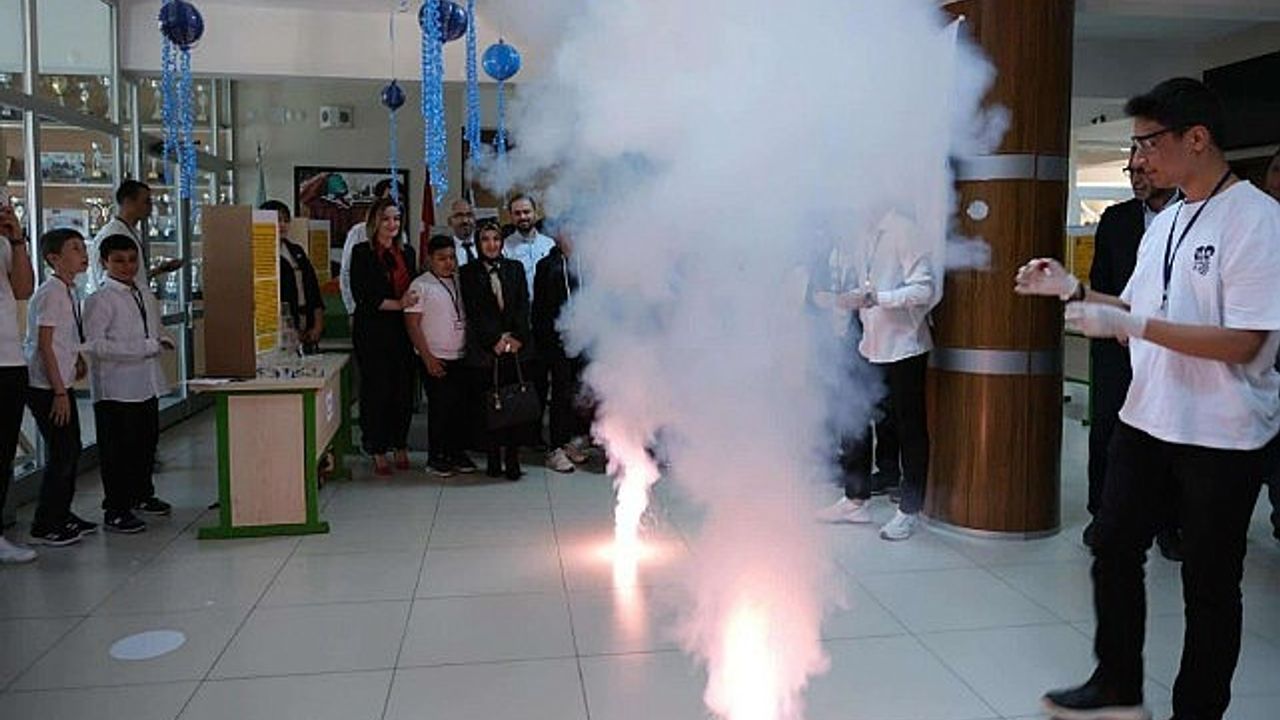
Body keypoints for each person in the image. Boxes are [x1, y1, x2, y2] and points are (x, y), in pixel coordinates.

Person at [1017, 78, 1280, 720]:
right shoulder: (1167, 221)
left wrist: (1131, 324)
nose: (1137, 159)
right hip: (1148, 417)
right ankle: (1118, 685)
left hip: (1221, 432)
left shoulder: (1257, 221)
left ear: (1197, 139)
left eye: (1147, 143)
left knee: (1209, 584)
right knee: (1112, 545)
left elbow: (1245, 342)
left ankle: (1197, 710)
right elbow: (1137, 307)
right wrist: (1075, 291)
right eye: (1133, 147)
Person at [1084, 151, 1182, 560]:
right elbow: (1101, 280)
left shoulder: (1193, 215)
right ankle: (1102, 514)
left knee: (1168, 434)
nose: (1136, 179)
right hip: (1118, 345)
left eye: (1144, 171)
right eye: (1132, 171)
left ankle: (1168, 524)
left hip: (1172, 347)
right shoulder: (1116, 219)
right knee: (1108, 429)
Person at [817, 210, 935, 541]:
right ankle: (855, 499)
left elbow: (924, 290)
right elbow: (863, 284)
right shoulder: (860, 234)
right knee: (853, 414)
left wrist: (877, 298)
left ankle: (910, 510)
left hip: (904, 345)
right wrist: (841, 300)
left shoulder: (903, 230)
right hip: (868, 341)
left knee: (909, 428)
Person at [83, 234, 177, 533]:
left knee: (145, 444)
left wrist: (161, 340)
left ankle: (142, 494)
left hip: (146, 383)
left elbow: (153, 329)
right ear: (104, 262)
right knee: (118, 451)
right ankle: (116, 508)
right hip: (116, 388)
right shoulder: (100, 299)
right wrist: (144, 348)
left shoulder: (143, 293)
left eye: (132, 260)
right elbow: (96, 345)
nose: (127, 267)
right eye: (119, 261)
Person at [24, 229, 94, 546]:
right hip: (45, 386)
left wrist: (76, 358)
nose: (83, 254)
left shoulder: (68, 289)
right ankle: (46, 523)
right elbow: (45, 344)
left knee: (71, 449)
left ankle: (62, 513)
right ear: (54, 258)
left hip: (60, 381)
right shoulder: (51, 293)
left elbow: (65, 337)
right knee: (62, 452)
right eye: (75, 248)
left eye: (82, 247)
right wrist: (59, 392)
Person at [350, 197, 418, 476]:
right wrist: (398, 304)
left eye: (396, 219)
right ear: (375, 221)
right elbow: (363, 296)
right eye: (386, 218)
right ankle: (377, 447)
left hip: (402, 331)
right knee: (376, 390)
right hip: (373, 330)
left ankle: (400, 443)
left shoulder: (408, 252)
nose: (392, 224)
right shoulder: (362, 252)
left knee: (402, 390)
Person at [461, 221, 535, 480]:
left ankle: (512, 459)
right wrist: (494, 339)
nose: (491, 244)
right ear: (478, 243)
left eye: (495, 239)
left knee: (514, 404)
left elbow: (523, 305)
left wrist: (516, 337)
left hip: (514, 348)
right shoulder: (468, 272)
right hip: (487, 349)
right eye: (485, 239)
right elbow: (474, 311)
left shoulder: (515, 268)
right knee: (491, 405)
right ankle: (493, 458)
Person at [405, 235, 476, 477]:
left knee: (459, 409)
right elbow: (412, 324)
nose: (448, 263)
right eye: (441, 258)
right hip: (435, 357)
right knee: (440, 409)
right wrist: (427, 357)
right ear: (429, 259)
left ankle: (456, 452)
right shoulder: (420, 285)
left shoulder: (459, 281)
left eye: (451, 257)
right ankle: (436, 457)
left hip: (460, 355)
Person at [532, 221, 592, 473]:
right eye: (567, 231)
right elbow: (540, 309)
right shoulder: (547, 265)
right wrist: (548, 340)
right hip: (558, 342)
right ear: (557, 235)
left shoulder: (587, 263)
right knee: (560, 394)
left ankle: (571, 442)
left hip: (585, 340)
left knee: (580, 394)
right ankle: (555, 447)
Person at [0, 199, 37, 563]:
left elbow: (24, 288)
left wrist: (16, 239)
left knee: (4, 452)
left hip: (9, 358)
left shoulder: (5, 239)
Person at [89, 180, 182, 291]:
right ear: (128, 202)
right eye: (146, 202)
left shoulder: (130, 231)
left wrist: (159, 270)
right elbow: (107, 280)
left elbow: (132, 278)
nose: (151, 207)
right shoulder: (113, 234)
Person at [261, 200, 324, 352]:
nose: (282, 225)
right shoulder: (262, 256)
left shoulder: (296, 250)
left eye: (286, 220)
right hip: (280, 329)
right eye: (278, 220)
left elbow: (313, 289)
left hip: (306, 323)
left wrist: (318, 325)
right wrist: (288, 328)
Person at [338, 178, 396, 316]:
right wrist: (351, 309)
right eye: (388, 197)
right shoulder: (358, 232)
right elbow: (346, 273)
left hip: (397, 313)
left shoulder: (400, 236)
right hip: (367, 312)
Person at [503, 195, 555, 297]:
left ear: (535, 213)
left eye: (526, 212)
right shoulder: (504, 248)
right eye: (517, 213)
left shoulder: (549, 244)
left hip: (548, 304)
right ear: (511, 216)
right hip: (520, 305)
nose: (522, 217)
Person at [448, 198, 479, 267]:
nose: (465, 220)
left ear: (474, 219)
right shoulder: (446, 248)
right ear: (449, 221)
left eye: (469, 215)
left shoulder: (484, 244)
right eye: (459, 215)